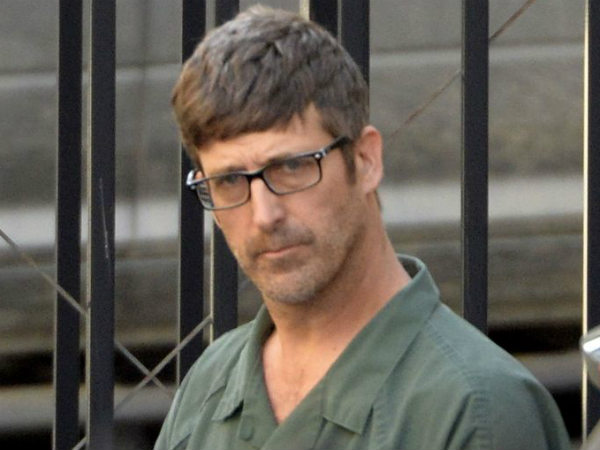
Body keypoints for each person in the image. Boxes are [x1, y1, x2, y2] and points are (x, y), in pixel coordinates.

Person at [155, 5, 570, 450]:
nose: (264, 214)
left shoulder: (476, 408)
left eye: (292, 167)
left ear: (366, 160)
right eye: (229, 180)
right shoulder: (212, 383)